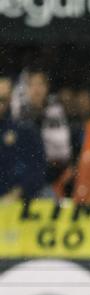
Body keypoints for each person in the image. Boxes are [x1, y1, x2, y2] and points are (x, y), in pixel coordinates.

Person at [0, 74, 46, 202]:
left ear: (10, 100)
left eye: (2, 100)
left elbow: (37, 171)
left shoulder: (25, 131)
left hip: (19, 201)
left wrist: (17, 193)